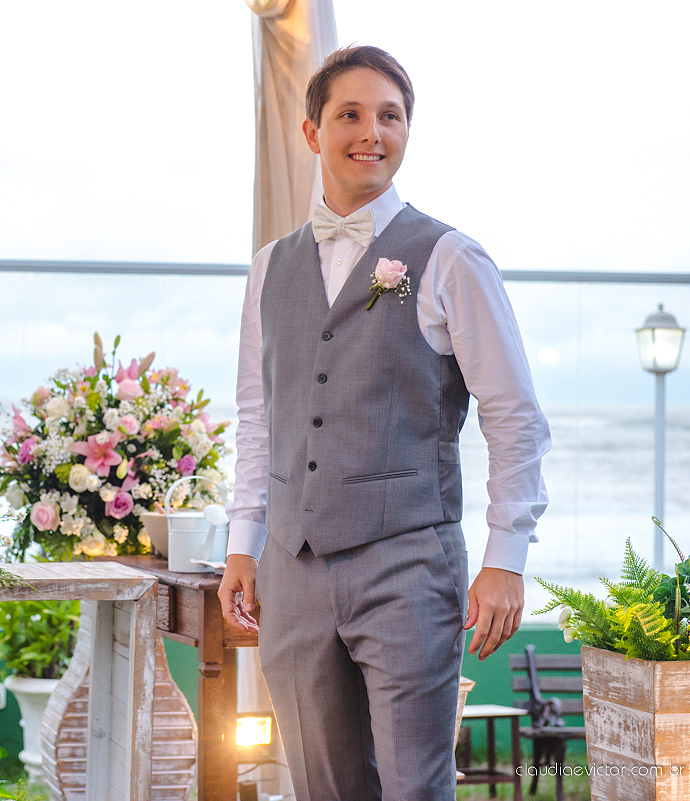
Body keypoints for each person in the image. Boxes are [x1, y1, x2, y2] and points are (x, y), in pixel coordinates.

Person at [218, 46, 550, 800]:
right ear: (312, 132)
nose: (372, 132)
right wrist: (245, 542)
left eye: (390, 116)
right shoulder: (270, 267)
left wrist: (506, 556)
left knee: (415, 788)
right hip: (291, 576)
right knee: (321, 788)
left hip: (408, 564)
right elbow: (258, 414)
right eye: (351, 114)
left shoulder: (451, 258)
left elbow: (514, 416)